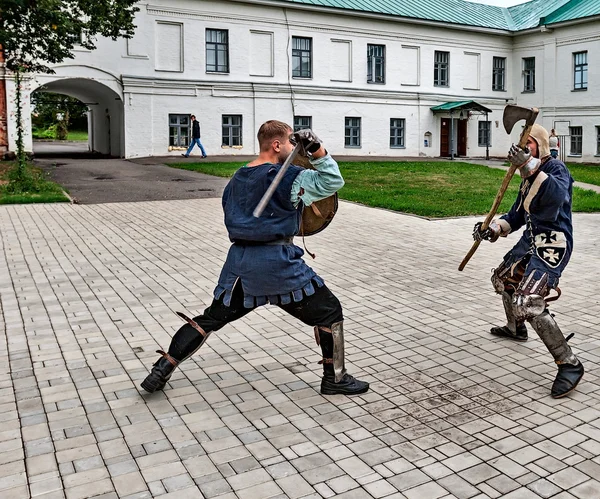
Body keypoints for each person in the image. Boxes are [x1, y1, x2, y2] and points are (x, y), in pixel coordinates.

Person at [142, 120, 369, 396]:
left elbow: (231, 214)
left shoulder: (236, 178)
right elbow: (333, 182)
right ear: (276, 145)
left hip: (240, 266)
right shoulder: (290, 177)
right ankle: (335, 378)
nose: (293, 151)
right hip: (280, 266)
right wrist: (318, 151)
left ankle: (162, 368)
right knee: (330, 311)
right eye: (289, 144)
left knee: (210, 318)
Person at [473, 124, 583, 399]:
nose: (524, 148)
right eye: (524, 143)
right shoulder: (526, 176)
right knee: (502, 279)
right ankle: (515, 328)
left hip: (552, 244)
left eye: (530, 143)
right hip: (529, 242)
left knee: (528, 301)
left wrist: (531, 166)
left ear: (541, 146)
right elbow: (516, 215)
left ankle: (569, 363)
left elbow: (556, 195)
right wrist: (493, 229)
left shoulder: (556, 169)